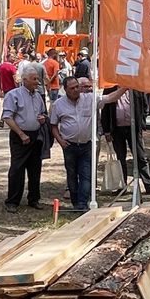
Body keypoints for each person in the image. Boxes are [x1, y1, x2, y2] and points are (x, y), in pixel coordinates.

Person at [2, 62, 49, 212]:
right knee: (17, 168)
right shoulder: (13, 95)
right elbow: (7, 117)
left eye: (37, 79)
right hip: (20, 136)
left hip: (36, 136)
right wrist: (21, 134)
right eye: (34, 79)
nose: (37, 82)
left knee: (35, 169)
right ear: (25, 80)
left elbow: (43, 113)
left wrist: (43, 118)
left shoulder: (38, 96)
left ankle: (34, 199)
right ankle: (12, 201)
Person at [51, 75, 97, 212]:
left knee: (86, 174)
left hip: (86, 145)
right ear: (65, 90)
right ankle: (75, 202)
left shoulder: (90, 99)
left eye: (77, 86)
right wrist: (60, 141)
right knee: (71, 174)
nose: (76, 90)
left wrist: (125, 87)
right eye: (72, 88)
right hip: (69, 146)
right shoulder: (58, 105)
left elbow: (109, 98)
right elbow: (53, 125)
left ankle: (83, 204)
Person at [101, 86, 150, 195]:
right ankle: (122, 187)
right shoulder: (110, 90)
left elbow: (144, 106)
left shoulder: (136, 89)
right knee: (120, 158)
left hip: (134, 129)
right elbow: (105, 111)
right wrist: (107, 131)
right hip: (116, 129)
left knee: (141, 157)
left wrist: (141, 124)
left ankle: (149, 186)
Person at [0, 56, 18, 130]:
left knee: (6, 105)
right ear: (8, 58)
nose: (14, 58)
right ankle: (8, 121)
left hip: (5, 89)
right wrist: (18, 88)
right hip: (12, 89)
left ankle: (2, 121)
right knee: (13, 106)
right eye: (13, 57)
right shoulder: (12, 67)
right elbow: (15, 80)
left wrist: (0, 89)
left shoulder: (1, 66)